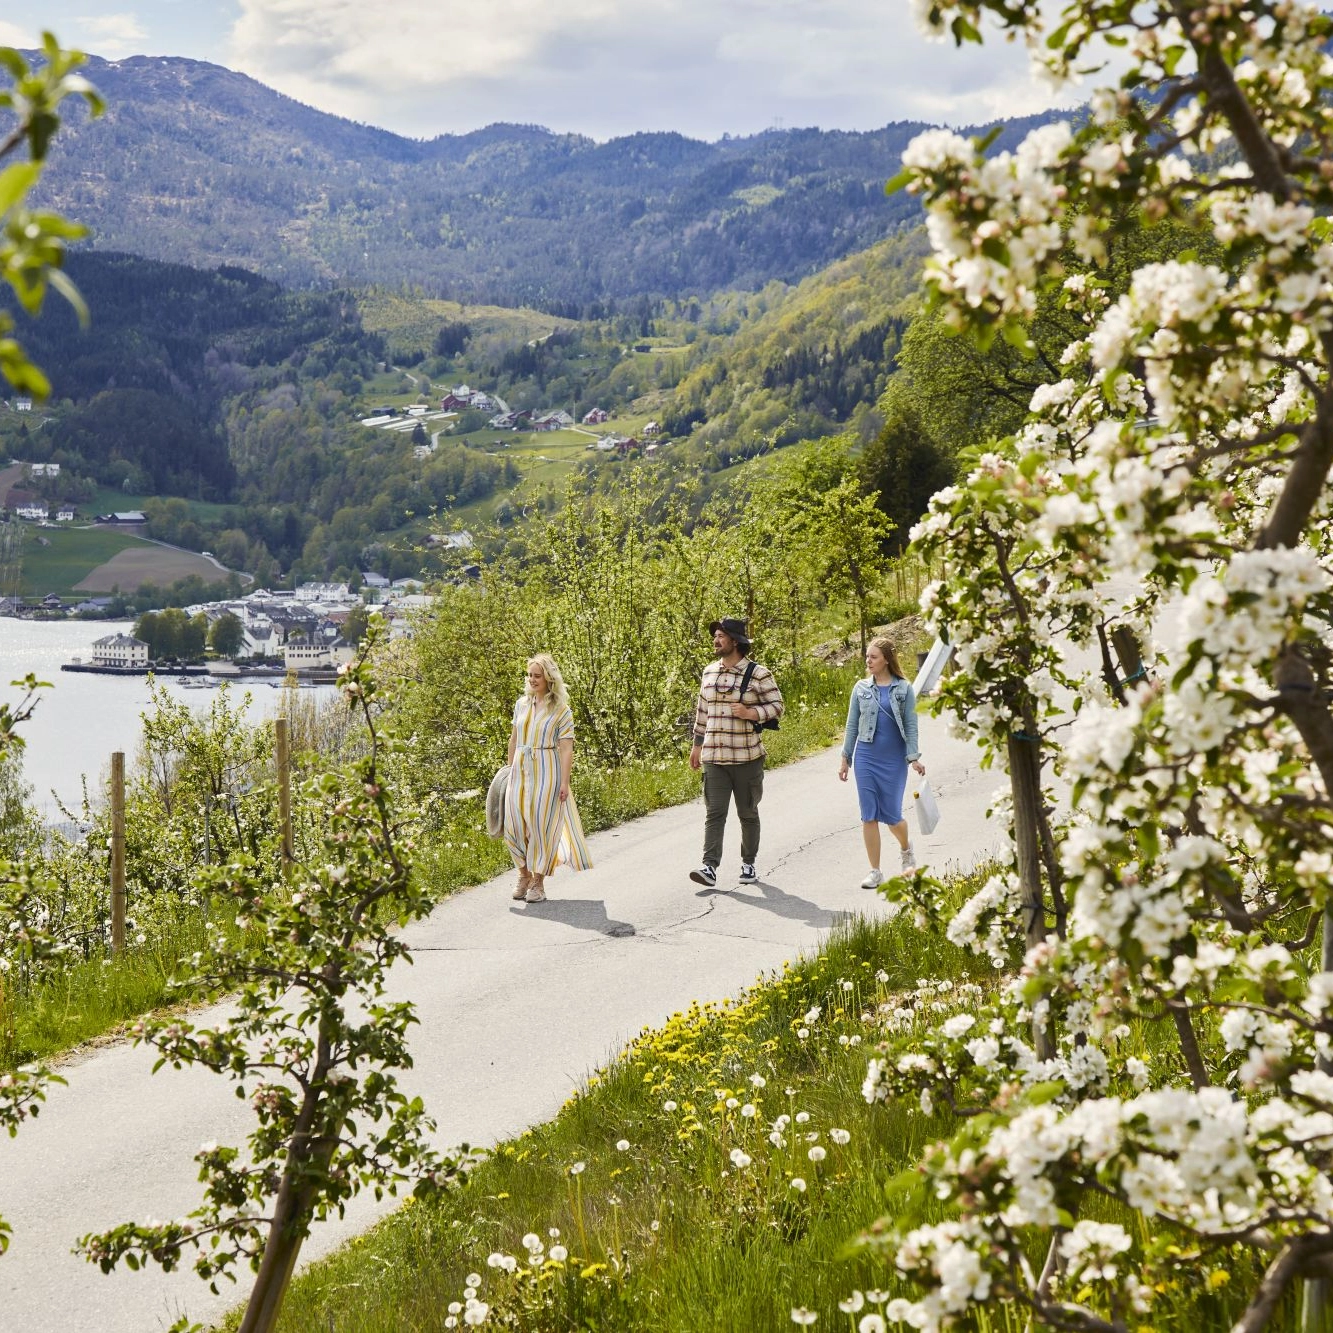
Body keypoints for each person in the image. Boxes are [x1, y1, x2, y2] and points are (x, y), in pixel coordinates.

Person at [688, 617, 784, 888]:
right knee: (714, 813)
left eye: (721, 636)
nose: (715, 640)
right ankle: (709, 867)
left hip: (746, 758)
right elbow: (702, 712)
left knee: (747, 813)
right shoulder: (709, 672)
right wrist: (696, 745)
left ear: (735, 641)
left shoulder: (758, 673)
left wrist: (751, 713)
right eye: (715, 636)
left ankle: (748, 863)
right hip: (714, 758)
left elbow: (777, 706)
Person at [504, 654, 593, 904]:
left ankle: (538, 882)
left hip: (547, 770)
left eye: (537, 676)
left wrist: (564, 782)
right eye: (529, 675)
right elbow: (513, 739)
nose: (532, 680)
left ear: (549, 679)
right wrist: (508, 770)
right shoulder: (521, 704)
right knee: (513, 825)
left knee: (541, 826)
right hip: (520, 769)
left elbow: (566, 748)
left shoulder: (561, 710)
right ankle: (523, 874)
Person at [838, 635, 925, 886]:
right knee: (869, 815)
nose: (868, 660)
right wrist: (845, 758)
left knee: (893, 816)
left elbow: (911, 725)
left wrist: (913, 758)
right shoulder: (861, 688)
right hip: (866, 757)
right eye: (867, 656)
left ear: (886, 659)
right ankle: (875, 871)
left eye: (873, 656)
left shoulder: (904, 689)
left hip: (893, 759)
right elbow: (851, 725)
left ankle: (906, 849)